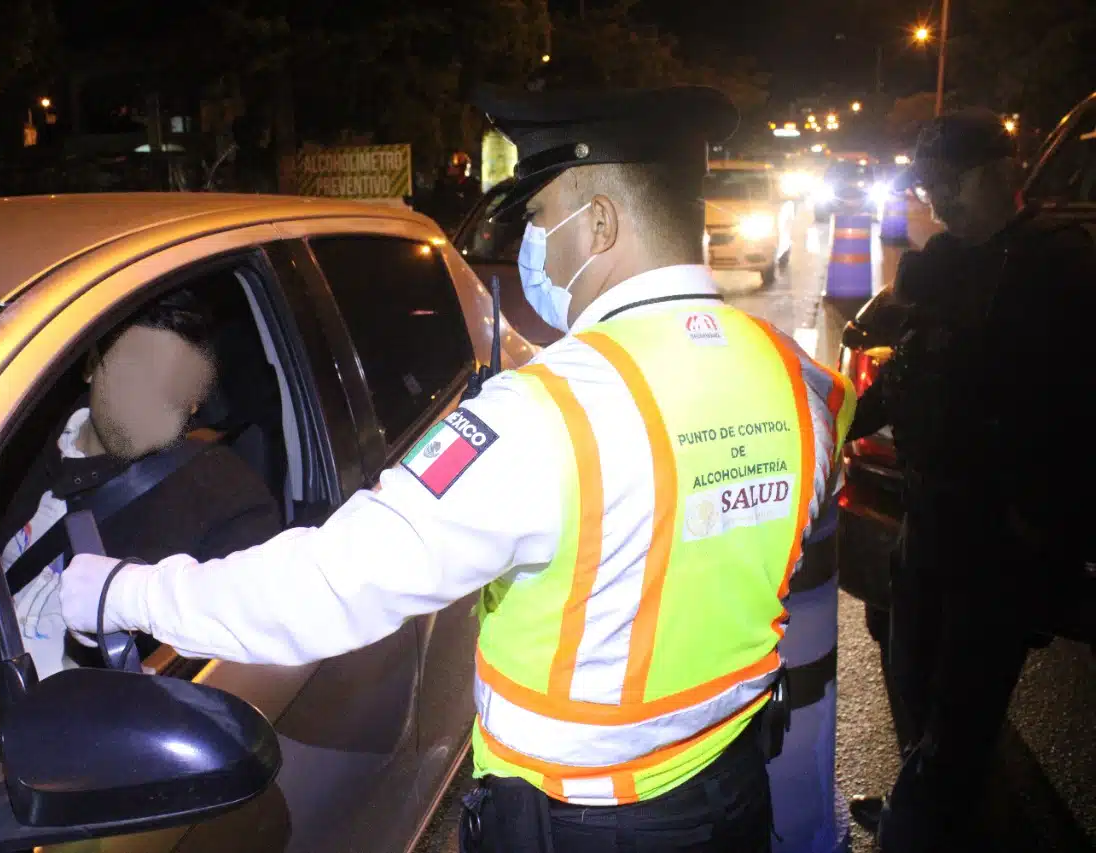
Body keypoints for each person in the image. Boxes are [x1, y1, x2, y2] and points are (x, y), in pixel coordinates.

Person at [62, 85, 856, 853]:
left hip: (581, 823)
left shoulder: (548, 413)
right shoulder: (795, 379)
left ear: (602, 222)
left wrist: (118, 591)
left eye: (541, 217)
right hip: (729, 791)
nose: (532, 246)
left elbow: (330, 587)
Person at [0, 288, 282, 744]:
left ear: (194, 402)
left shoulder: (228, 500)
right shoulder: (2, 441)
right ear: (91, 365)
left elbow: (235, 678)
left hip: (64, 743)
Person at [845, 109, 1096, 852]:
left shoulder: (1061, 268)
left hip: (1004, 538)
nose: (941, 202)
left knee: (961, 713)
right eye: (931, 187)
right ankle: (931, 806)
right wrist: (830, 423)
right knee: (913, 679)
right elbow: (908, 373)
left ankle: (920, 827)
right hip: (929, 518)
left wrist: (1043, 524)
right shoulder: (947, 262)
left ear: (1002, 172)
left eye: (951, 185)